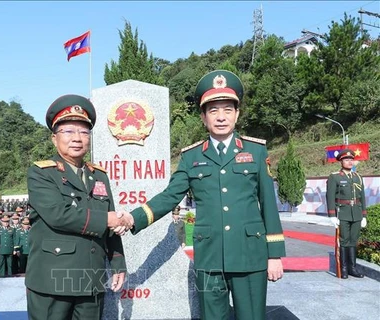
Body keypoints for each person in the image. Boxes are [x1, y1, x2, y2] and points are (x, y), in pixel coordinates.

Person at [116, 70, 286, 320]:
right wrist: (133, 218)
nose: (221, 117)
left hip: (250, 254)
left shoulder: (256, 151)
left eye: (228, 110)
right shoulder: (192, 157)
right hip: (210, 258)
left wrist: (275, 255)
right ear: (203, 117)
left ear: (237, 114)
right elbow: (170, 196)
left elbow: (269, 206)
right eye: (213, 111)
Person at [26, 94, 129, 320]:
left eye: (83, 132)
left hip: (91, 280)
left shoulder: (99, 176)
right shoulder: (41, 173)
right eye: (68, 131)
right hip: (52, 281)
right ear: (54, 138)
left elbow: (110, 224)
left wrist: (118, 263)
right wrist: (109, 220)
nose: (77, 138)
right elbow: (58, 215)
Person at [326, 149, 367, 279]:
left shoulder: (358, 177)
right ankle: (343, 268)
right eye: (346, 160)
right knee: (344, 241)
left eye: (351, 160)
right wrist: (332, 215)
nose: (350, 162)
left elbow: (362, 197)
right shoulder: (335, 177)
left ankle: (352, 268)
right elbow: (330, 196)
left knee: (353, 241)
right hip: (342, 213)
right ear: (341, 161)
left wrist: (364, 215)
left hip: (356, 213)